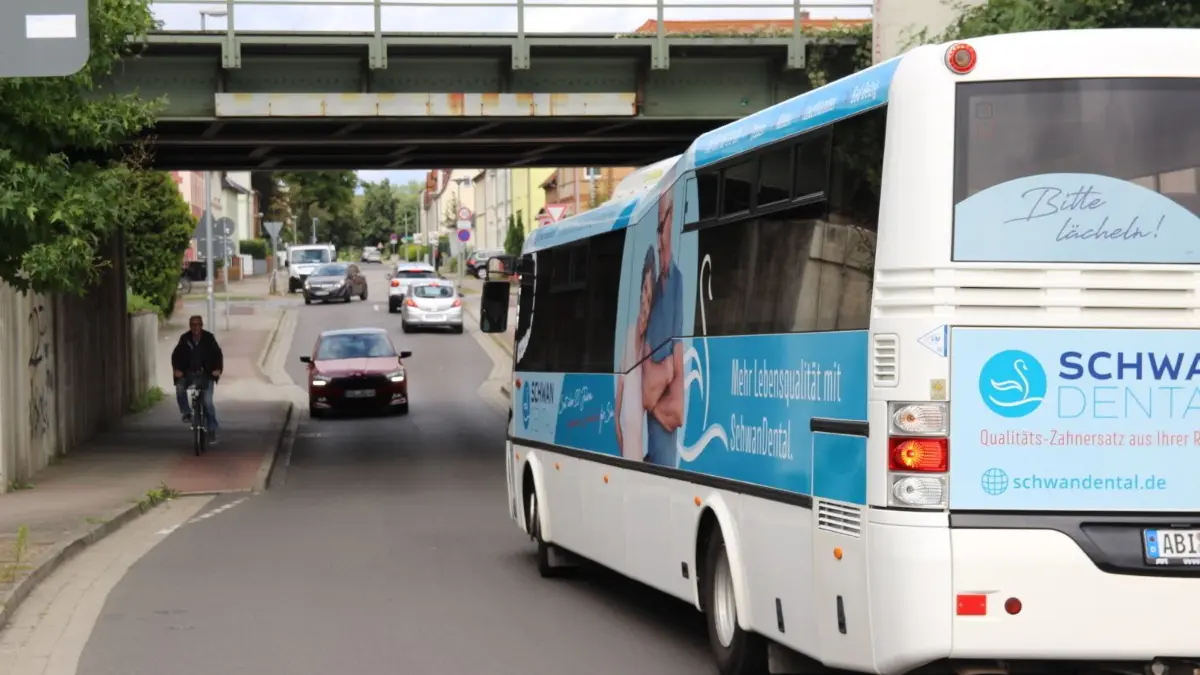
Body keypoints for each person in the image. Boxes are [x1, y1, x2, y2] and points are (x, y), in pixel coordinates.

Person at [641, 187, 685, 467]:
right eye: (656, 229)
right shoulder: (658, 290)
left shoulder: (676, 281)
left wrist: (652, 398)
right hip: (653, 458)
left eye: (661, 226)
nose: (659, 238)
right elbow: (648, 390)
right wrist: (664, 375)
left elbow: (677, 410)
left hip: (664, 465)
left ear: (672, 219)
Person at [616, 247, 656, 461]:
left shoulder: (651, 348)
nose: (645, 301)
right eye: (644, 290)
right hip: (628, 459)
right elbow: (616, 416)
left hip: (641, 460)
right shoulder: (629, 335)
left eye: (650, 297)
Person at [171, 315, 223, 444]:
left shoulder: (209, 338)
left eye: (198, 324)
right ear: (190, 326)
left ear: (202, 325)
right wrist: (177, 369)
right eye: (193, 325)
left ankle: (211, 429)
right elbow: (176, 355)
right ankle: (187, 412)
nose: (195, 327)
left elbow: (217, 354)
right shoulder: (185, 339)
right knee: (180, 387)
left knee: (208, 402)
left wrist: (217, 369)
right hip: (188, 374)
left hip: (206, 374)